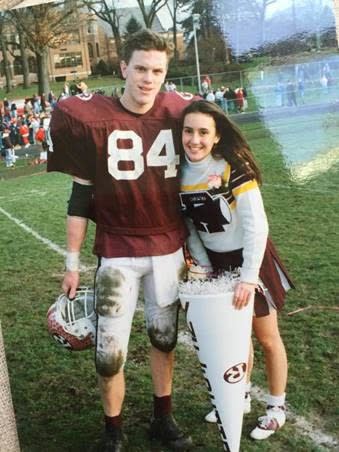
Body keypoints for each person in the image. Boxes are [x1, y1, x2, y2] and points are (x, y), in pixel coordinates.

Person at [47, 29, 194, 452]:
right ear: (124, 67)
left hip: (168, 248)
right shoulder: (89, 118)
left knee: (164, 338)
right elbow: (79, 198)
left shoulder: (181, 112)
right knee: (109, 354)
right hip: (117, 251)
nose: (149, 79)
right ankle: (113, 431)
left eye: (158, 71)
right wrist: (72, 264)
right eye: (142, 68)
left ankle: (161, 418)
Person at [179, 100, 293, 441]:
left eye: (203, 132)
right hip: (218, 265)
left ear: (216, 137)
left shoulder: (232, 166)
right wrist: (202, 265)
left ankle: (276, 408)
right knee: (234, 338)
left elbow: (256, 224)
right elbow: (190, 227)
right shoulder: (178, 173)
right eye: (188, 131)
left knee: (266, 336)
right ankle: (239, 395)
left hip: (250, 259)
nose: (194, 139)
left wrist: (248, 276)